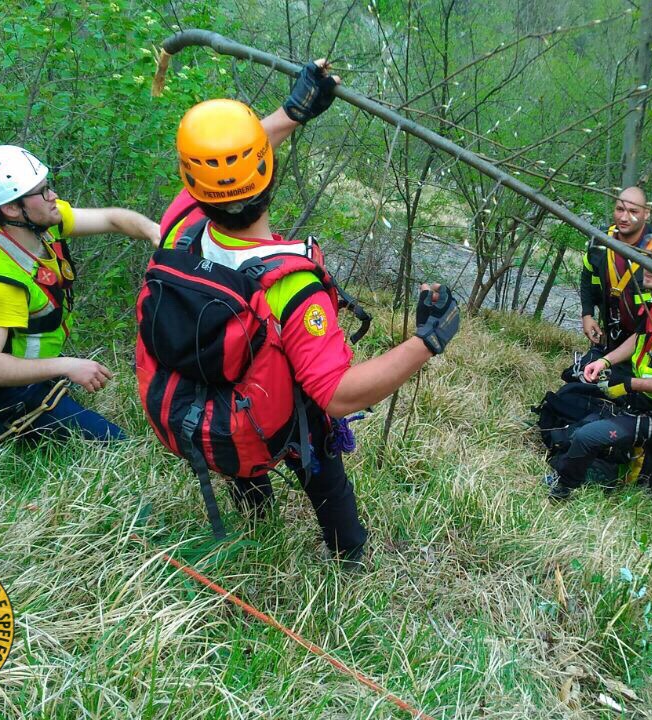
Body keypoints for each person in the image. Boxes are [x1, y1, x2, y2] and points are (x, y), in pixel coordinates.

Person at [143, 60, 460, 565]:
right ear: (267, 176)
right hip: (275, 420)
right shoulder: (289, 284)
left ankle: (256, 520)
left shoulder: (179, 222)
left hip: (208, 411)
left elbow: (221, 167)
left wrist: (292, 112)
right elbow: (337, 396)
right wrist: (428, 339)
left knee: (247, 465)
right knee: (323, 472)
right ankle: (349, 553)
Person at [0, 145, 161, 441]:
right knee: (117, 444)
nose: (53, 196)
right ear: (11, 208)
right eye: (43, 191)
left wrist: (155, 232)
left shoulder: (42, 226)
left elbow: (112, 219)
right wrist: (69, 366)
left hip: (35, 369)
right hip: (5, 390)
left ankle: (28, 421)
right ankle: (8, 421)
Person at [546, 228, 652, 503]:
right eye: (649, 257)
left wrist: (629, 384)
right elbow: (641, 337)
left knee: (588, 437)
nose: (650, 267)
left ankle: (561, 488)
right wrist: (604, 360)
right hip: (651, 402)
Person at [579, 187, 652, 360]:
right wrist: (587, 314)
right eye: (620, 209)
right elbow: (587, 275)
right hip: (612, 337)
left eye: (633, 211)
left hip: (648, 344)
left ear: (646, 213)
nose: (624, 217)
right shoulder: (601, 240)